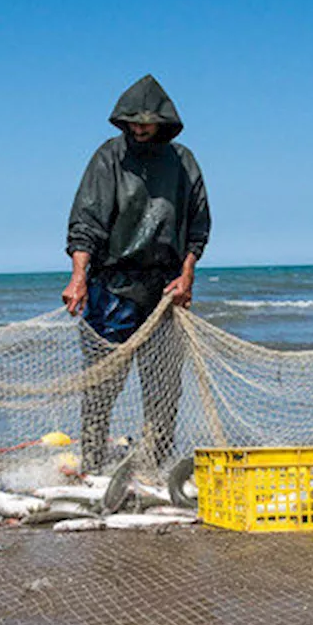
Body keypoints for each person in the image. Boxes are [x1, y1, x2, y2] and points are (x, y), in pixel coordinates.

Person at [62, 74, 211, 474]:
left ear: (164, 121)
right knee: (100, 386)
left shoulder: (183, 161)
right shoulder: (108, 158)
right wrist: (78, 276)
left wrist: (187, 276)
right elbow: (85, 223)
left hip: (165, 289)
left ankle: (154, 470)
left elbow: (198, 226)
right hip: (113, 287)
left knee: (164, 390)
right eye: (132, 121)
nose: (138, 128)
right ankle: (92, 467)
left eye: (146, 121)